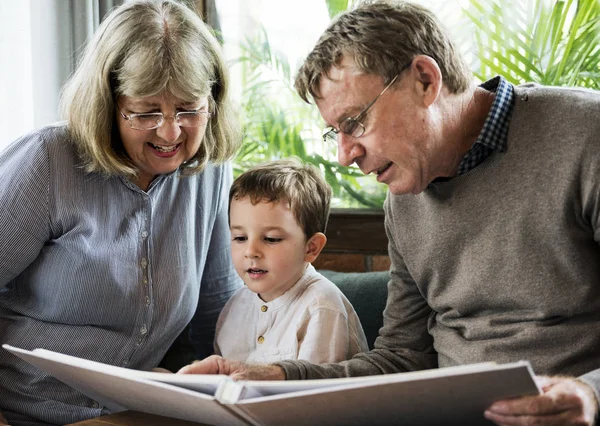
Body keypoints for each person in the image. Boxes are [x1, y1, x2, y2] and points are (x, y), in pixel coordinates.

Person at [178, 1, 600, 425]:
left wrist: (590, 393)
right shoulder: (404, 198)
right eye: (335, 132)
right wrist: (274, 377)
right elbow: (400, 359)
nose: (345, 156)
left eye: (355, 122)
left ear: (424, 80)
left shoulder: (586, 136)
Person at [0, 1, 242, 425]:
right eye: (146, 112)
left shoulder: (209, 173)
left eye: (189, 109)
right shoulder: (47, 162)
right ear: (107, 104)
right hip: (25, 411)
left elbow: (216, 311)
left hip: (136, 413)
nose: (170, 132)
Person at [211, 159, 368, 364]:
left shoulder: (322, 307)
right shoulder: (234, 306)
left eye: (271, 239)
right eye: (240, 238)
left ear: (311, 248)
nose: (250, 252)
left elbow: (314, 392)